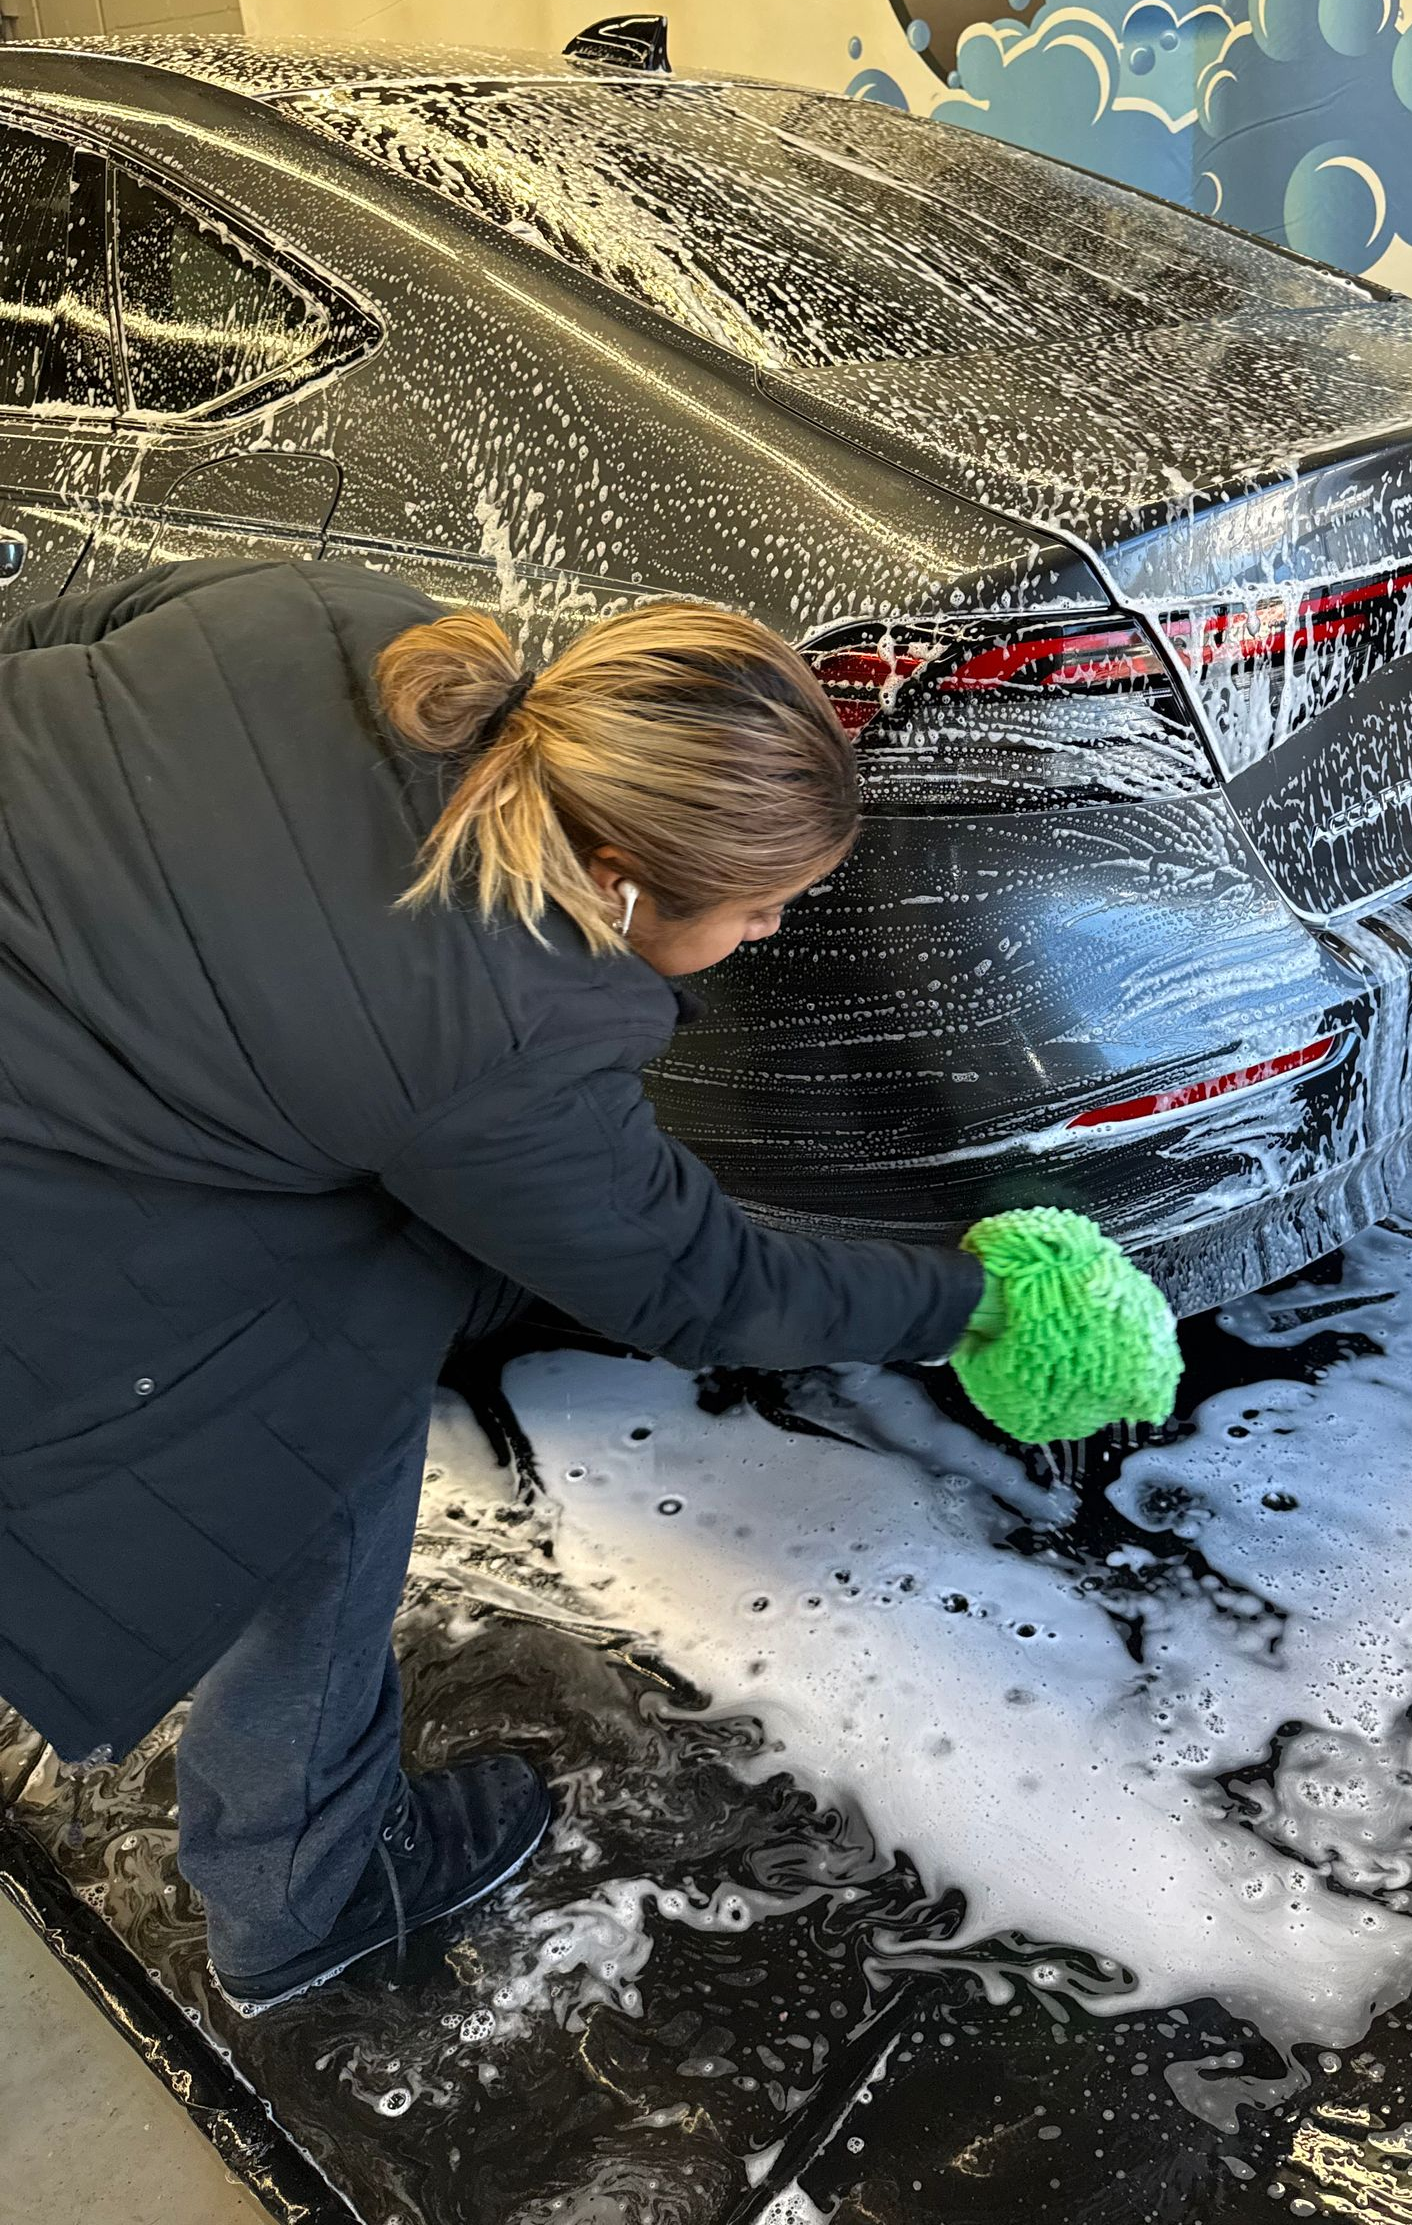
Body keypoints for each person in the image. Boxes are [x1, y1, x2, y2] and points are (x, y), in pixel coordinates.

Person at [0, 557, 1175, 2015]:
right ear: (620, 881)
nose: (774, 937)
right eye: (760, 912)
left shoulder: (339, 624)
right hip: (46, 1209)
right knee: (314, 1420)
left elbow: (61, 624)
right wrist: (973, 1303)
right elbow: (696, 1279)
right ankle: (305, 1893)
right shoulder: (494, 1029)